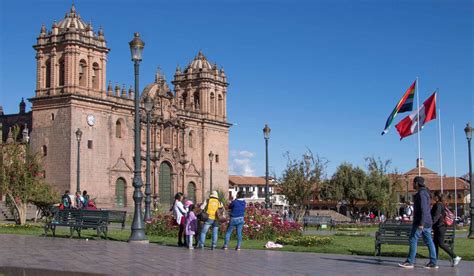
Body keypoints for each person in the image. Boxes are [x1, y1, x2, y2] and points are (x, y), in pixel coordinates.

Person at [399, 176, 438, 269]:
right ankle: (433, 262)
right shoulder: (424, 193)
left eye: (413, 183)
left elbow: (423, 209)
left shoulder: (422, 193)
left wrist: (422, 223)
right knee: (429, 241)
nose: (412, 184)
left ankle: (410, 261)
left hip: (421, 222)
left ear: (416, 183)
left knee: (413, 239)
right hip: (426, 222)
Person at [431, 192, 461, 266]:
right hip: (439, 227)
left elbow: (436, 216)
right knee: (435, 244)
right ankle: (434, 261)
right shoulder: (441, 204)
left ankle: (455, 256)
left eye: (434, 196)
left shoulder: (438, 205)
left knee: (440, 244)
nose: (433, 197)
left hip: (440, 227)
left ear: (437, 197)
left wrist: (430, 224)